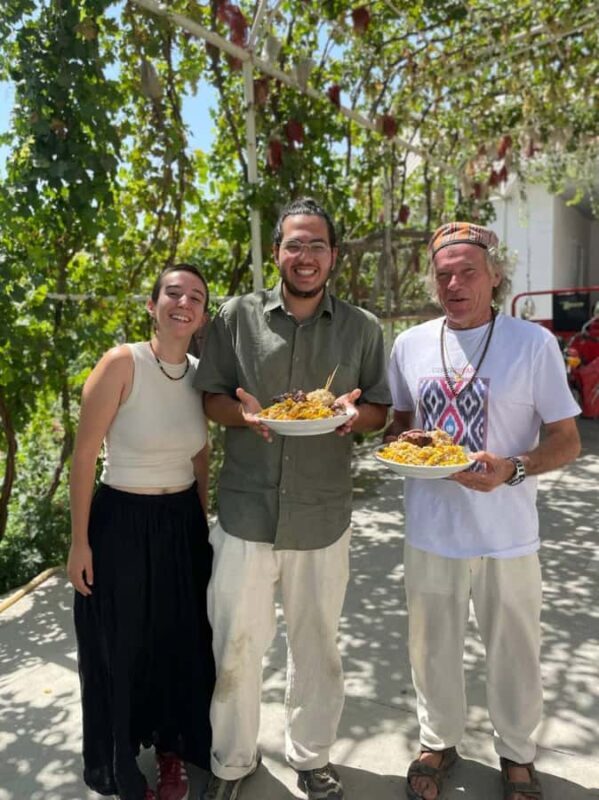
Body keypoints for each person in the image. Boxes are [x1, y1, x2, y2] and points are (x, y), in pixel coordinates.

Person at [195, 197, 391, 800]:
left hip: (321, 515)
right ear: (277, 252)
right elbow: (211, 398)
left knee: (317, 648)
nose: (304, 257)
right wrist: (245, 412)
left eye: (317, 246)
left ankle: (311, 757)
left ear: (333, 256)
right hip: (246, 512)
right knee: (234, 644)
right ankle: (231, 761)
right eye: (294, 244)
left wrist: (353, 418)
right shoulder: (234, 317)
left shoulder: (362, 328)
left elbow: (379, 411)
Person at [385, 222, 581, 800]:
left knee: (515, 649)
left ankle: (517, 754)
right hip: (430, 530)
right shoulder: (410, 345)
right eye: (444, 274)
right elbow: (400, 425)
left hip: (508, 534)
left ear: (495, 277)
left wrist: (512, 469)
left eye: (468, 271)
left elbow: (568, 439)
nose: (455, 283)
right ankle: (438, 740)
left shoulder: (533, 343)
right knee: (431, 647)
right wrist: (406, 442)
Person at [68, 264, 215, 800]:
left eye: (196, 297)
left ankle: (171, 751)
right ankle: (121, 767)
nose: (184, 302)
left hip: (179, 524)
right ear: (152, 305)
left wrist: (199, 522)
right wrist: (79, 542)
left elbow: (201, 455)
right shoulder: (121, 363)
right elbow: (84, 457)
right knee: (120, 647)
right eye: (173, 293)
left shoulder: (201, 372)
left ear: (201, 316)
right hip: (120, 524)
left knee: (176, 644)